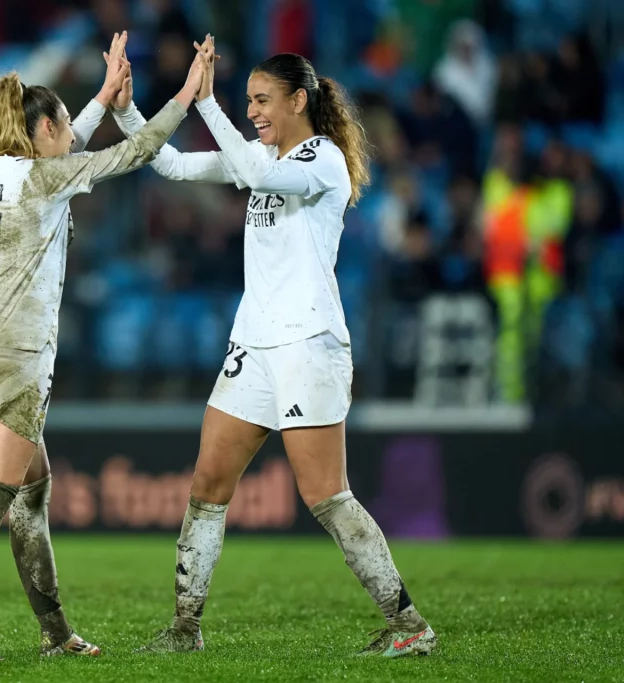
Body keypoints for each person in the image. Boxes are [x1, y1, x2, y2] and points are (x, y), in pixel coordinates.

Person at [109, 37, 437, 658]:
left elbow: (258, 172)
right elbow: (174, 165)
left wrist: (207, 103)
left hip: (308, 343)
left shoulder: (323, 160)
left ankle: (410, 625)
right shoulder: (261, 154)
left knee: (326, 496)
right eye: (247, 100)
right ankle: (184, 629)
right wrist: (127, 111)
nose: (253, 110)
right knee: (207, 482)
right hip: (254, 344)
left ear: (298, 98)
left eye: (262, 100)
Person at [0, 31, 206, 662]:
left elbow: (64, 140)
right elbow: (138, 150)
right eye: (64, 126)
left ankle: (56, 634)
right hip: (18, 348)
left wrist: (105, 93)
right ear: (47, 128)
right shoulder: (47, 178)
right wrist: (188, 93)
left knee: (32, 490)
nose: (71, 135)